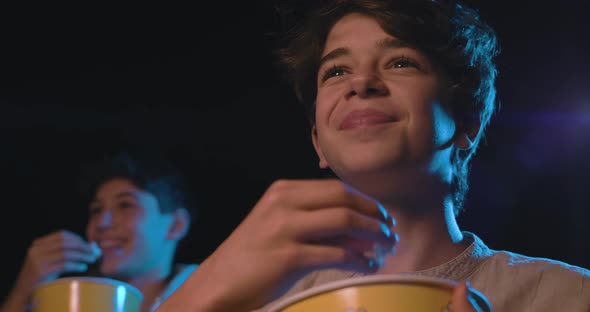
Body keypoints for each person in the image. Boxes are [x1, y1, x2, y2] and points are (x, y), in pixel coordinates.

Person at [157, 0, 590, 311]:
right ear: (318, 142)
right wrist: (202, 290)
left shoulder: (566, 296)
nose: (360, 83)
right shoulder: (259, 299)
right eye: (337, 70)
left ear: (466, 124)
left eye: (400, 62)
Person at [0, 149, 198, 312]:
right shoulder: (70, 299)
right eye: (96, 210)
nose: (102, 222)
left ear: (176, 225)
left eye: (125, 205)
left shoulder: (204, 292)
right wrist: (23, 292)